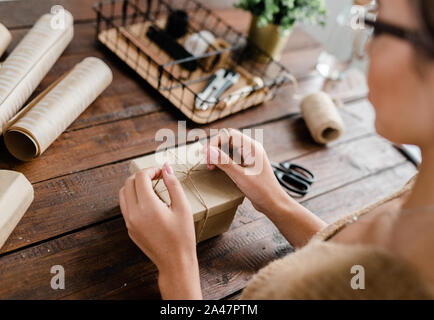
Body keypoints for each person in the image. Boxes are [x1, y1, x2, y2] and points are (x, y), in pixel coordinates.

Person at [118, 0, 434, 299]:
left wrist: (177, 268)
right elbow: (345, 269)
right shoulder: (421, 187)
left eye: (377, 27)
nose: (366, 48)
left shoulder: (410, 281)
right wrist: (275, 201)